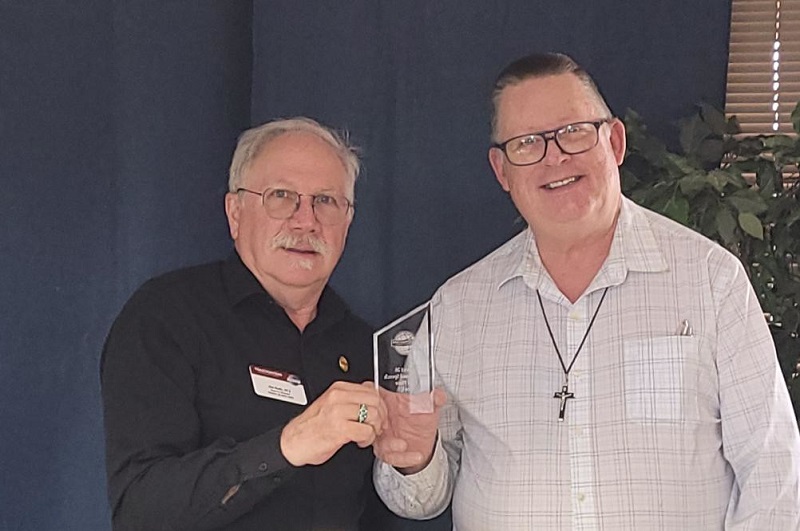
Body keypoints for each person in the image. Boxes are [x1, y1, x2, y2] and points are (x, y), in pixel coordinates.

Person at [373, 53, 800, 530]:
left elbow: (773, 471)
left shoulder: (709, 280)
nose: (554, 157)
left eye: (574, 131)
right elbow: (418, 497)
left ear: (614, 141)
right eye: (527, 142)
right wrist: (412, 460)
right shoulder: (456, 307)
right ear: (501, 170)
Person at [101, 117, 388, 531]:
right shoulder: (167, 316)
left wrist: (413, 463)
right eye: (281, 196)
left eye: (325, 200)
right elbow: (140, 509)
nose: (305, 220)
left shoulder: (363, 345)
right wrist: (287, 445)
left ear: (348, 221)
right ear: (235, 212)